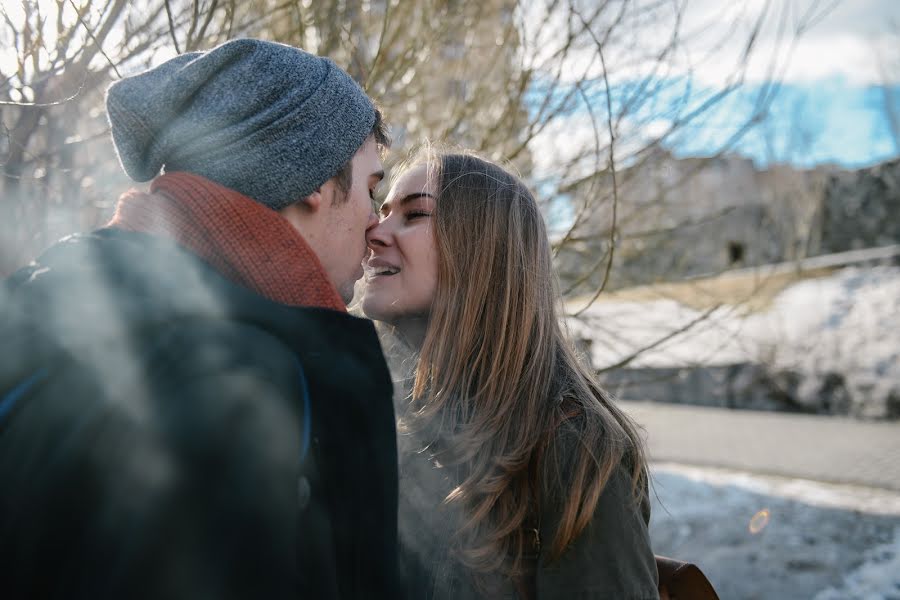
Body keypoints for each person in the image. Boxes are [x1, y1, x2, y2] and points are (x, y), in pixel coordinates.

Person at [0, 39, 399, 599]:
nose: (375, 224)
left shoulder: (52, 297)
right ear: (311, 175)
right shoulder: (234, 379)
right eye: (371, 189)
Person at [363, 149, 660, 599]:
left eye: (414, 213)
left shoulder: (571, 444)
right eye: (382, 210)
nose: (375, 231)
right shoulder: (386, 406)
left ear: (484, 248)